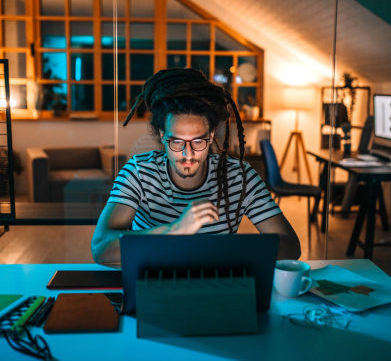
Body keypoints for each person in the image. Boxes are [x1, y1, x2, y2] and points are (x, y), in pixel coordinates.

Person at [91, 68, 301, 265]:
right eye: (177, 142)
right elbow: (101, 247)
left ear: (210, 136)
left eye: (198, 141)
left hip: (217, 288)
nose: (188, 154)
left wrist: (212, 252)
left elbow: (291, 247)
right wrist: (175, 231)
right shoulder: (138, 172)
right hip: (151, 288)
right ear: (163, 136)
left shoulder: (239, 176)